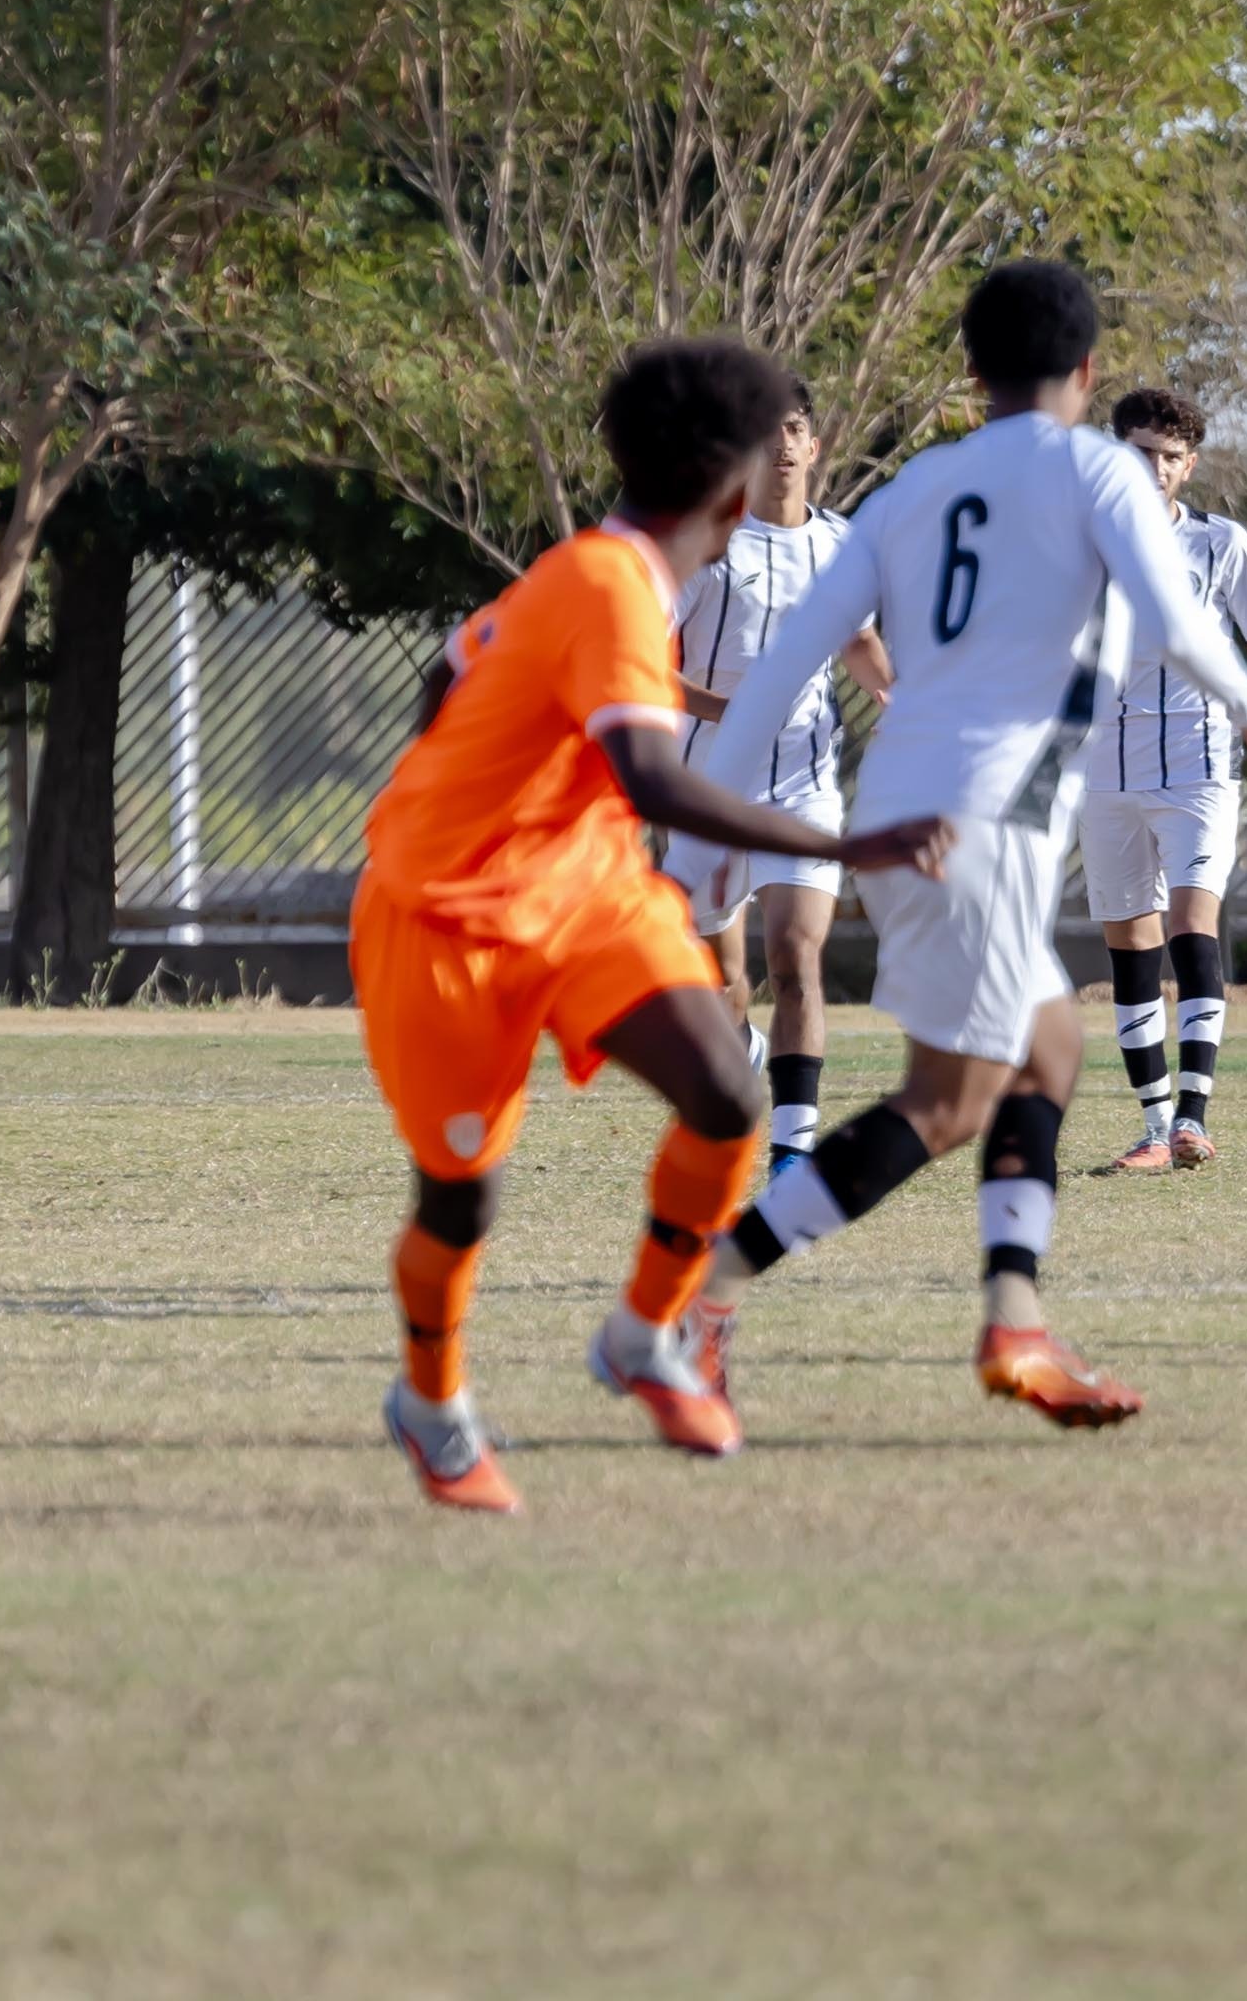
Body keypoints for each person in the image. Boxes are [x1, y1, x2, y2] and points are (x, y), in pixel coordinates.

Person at [662, 263, 1247, 1428]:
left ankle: (1009, 1316)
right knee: (947, 1100)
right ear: (1088, 372)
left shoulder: (913, 487)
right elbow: (1182, 626)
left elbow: (788, 660)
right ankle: (705, 1298)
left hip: (896, 814)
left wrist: (711, 822)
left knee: (1040, 1050)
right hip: (986, 827)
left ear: (970, 372)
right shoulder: (1098, 472)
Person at [355, 340, 951, 1514]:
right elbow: (653, 776)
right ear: (730, 485)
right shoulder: (610, 582)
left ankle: (642, 1334)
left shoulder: (601, 568)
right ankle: (430, 1400)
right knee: (462, 1196)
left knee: (728, 1093)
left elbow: (447, 669)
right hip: (444, 920)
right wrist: (846, 845)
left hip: (583, 889)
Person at [1082, 387, 1247, 1175]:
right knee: (1131, 945)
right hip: (1103, 769)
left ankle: (1192, 1118)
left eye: (1170, 457)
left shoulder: (1219, 543)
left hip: (1198, 765)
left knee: (1193, 923)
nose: (1155, 468)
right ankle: (1155, 1128)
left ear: (1189, 467)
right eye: (1140, 452)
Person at [671, 376, 894, 1170]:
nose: (782, 444)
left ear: (814, 444)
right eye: (767, 430)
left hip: (805, 784)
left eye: (794, 428)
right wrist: (728, 710)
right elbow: (641, 663)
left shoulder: (841, 546)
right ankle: (739, 1042)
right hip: (707, 789)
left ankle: (792, 1154)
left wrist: (895, 695)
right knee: (718, 985)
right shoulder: (706, 542)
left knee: (797, 960)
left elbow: (856, 639)